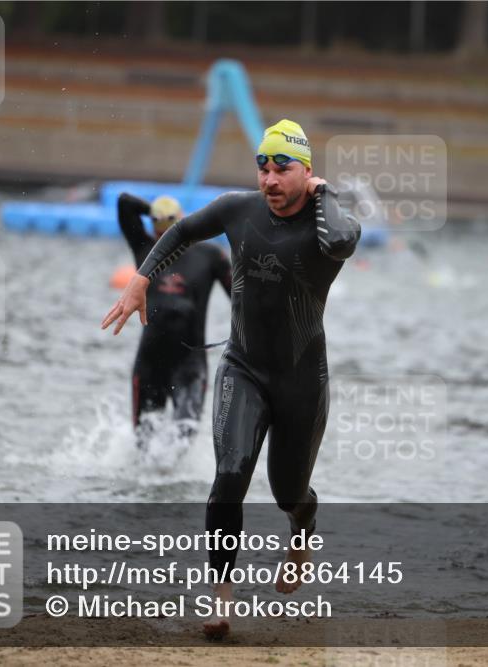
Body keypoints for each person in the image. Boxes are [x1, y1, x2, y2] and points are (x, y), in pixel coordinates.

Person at [102, 119, 360, 638]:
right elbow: (181, 232)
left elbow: (342, 239)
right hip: (242, 367)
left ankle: (301, 529)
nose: (268, 179)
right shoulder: (237, 210)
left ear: (305, 171)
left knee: (289, 491)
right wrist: (140, 282)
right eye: (262, 166)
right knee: (230, 476)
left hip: (302, 380)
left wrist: (322, 191)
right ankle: (221, 601)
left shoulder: (327, 222)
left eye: (281, 167)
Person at [116, 193, 231, 449]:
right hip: (149, 365)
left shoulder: (210, 256)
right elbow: (124, 203)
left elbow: (240, 297)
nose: (162, 239)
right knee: (143, 448)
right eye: (159, 231)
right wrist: (154, 210)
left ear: (181, 224)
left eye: (168, 231)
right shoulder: (146, 250)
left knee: (180, 445)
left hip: (190, 368)